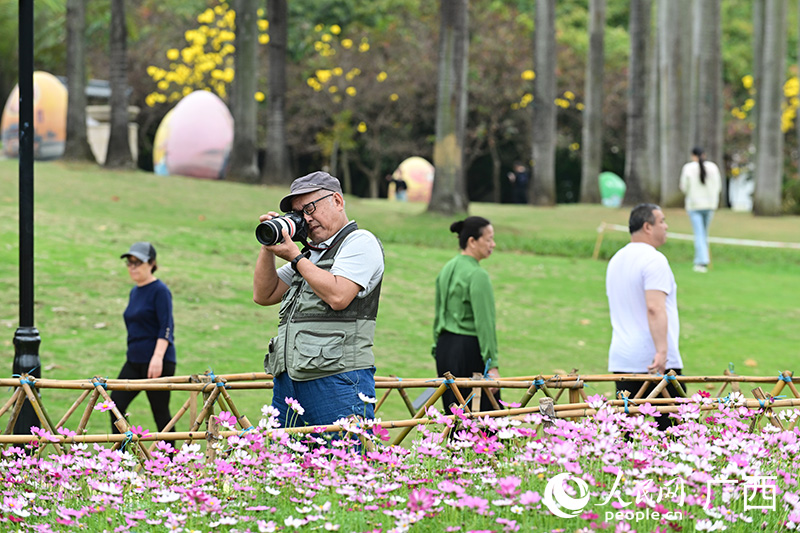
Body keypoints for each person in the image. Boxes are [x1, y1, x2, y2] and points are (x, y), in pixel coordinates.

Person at [253, 171, 384, 427]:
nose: (307, 218)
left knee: (342, 464)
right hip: (290, 382)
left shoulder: (359, 242)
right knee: (285, 466)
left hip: (338, 380)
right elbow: (263, 294)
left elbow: (338, 296)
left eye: (310, 207)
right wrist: (267, 247)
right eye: (299, 213)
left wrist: (295, 256)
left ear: (337, 200)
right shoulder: (309, 255)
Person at [606, 204, 683, 431]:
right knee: (674, 435)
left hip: (622, 360)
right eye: (662, 221)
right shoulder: (654, 260)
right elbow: (654, 308)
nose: (666, 226)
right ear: (647, 226)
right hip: (654, 361)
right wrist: (661, 351)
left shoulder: (616, 260)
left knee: (627, 436)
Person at [433, 216, 501, 414]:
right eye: (488, 239)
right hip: (469, 351)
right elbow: (485, 323)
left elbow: (439, 314)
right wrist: (492, 364)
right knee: (483, 421)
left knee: (454, 418)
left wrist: (437, 346)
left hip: (444, 350)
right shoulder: (478, 275)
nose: (493, 244)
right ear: (472, 241)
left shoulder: (446, 269)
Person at [112, 242, 176, 433]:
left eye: (138, 262)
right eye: (129, 263)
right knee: (115, 406)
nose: (133, 267)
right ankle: (120, 457)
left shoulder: (160, 291)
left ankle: (171, 461)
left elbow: (166, 326)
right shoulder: (135, 291)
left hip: (157, 361)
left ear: (151, 263)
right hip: (134, 360)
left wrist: (157, 358)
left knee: (160, 412)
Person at [679, 146, 722, 273]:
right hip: (709, 205)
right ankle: (703, 259)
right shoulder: (713, 167)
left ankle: (701, 262)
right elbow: (718, 187)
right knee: (703, 233)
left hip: (694, 205)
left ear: (693, 155)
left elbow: (684, 187)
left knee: (699, 234)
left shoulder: (688, 168)